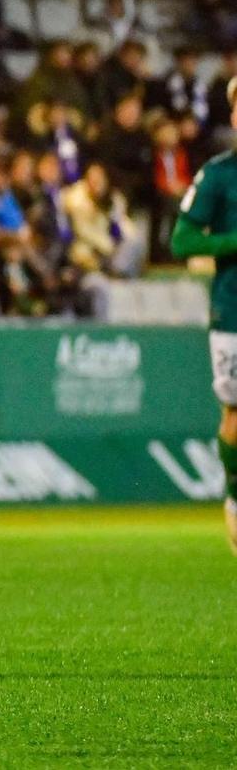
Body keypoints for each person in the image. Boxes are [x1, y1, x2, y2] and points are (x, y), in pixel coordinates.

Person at [169, 77, 237, 553]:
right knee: (235, 418)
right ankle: (234, 496)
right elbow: (183, 240)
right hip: (233, 313)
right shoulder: (218, 175)